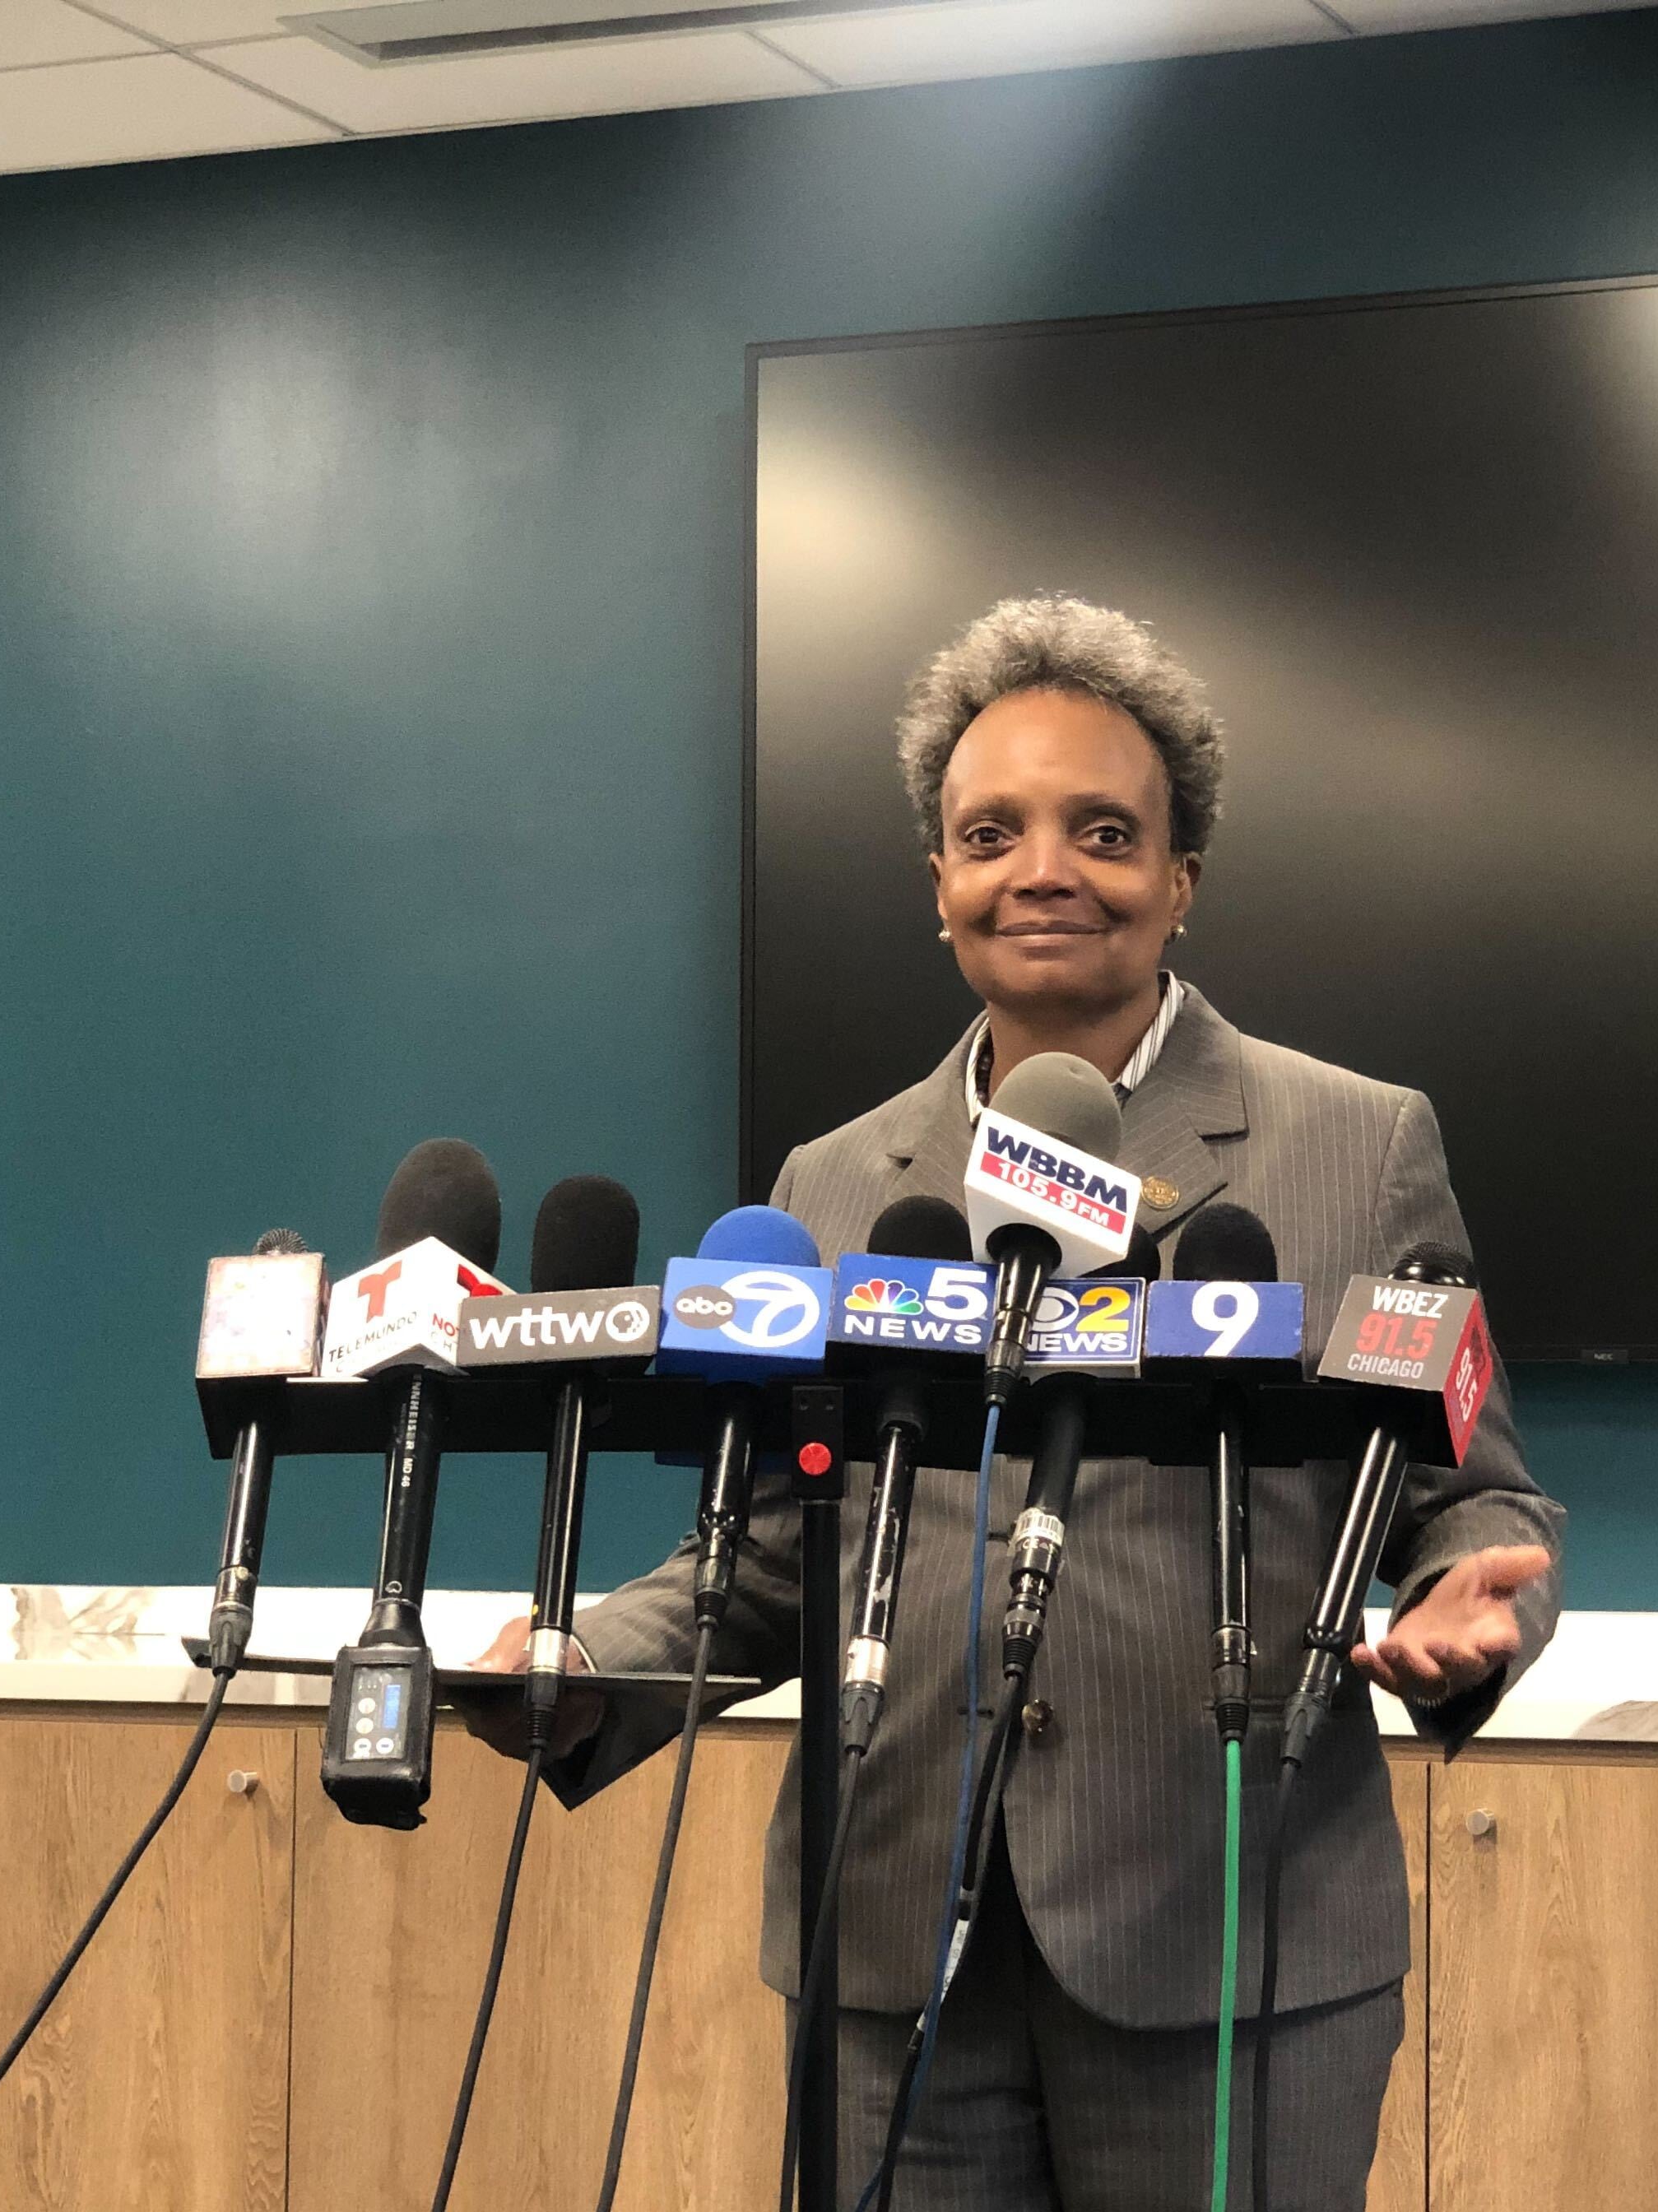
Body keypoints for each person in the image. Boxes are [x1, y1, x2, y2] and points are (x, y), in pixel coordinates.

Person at [471, 594, 1563, 2212]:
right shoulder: (835, 1181)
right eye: (992, 833)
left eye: (1103, 831)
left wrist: (1472, 1610)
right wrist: (588, 1668)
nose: (1043, 869)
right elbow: (788, 1548)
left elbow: (1472, 1496)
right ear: (939, 886)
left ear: (1179, 878)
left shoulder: (1357, 1145)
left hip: (1227, 1953)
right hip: (890, 1938)